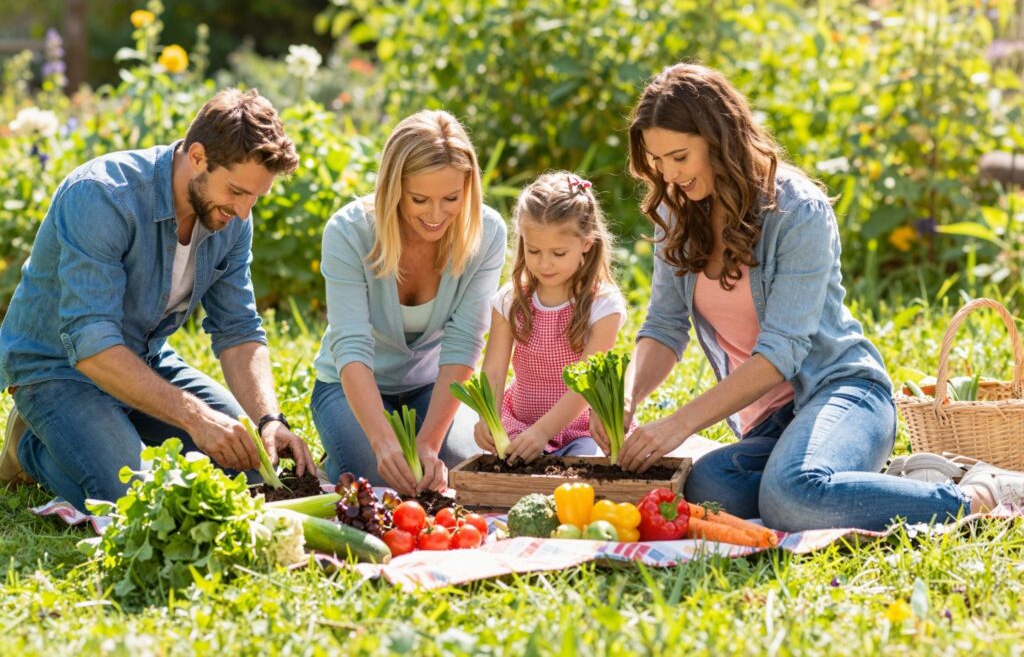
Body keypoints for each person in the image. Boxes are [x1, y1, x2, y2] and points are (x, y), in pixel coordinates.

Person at [602, 62, 1024, 532]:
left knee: (792, 499)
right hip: (771, 422)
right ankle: (878, 483)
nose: (669, 174)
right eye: (657, 161)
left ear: (718, 139)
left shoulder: (797, 209)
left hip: (843, 393)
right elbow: (664, 326)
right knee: (707, 488)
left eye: (679, 157)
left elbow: (780, 353)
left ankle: (982, 494)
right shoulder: (677, 211)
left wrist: (679, 423)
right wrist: (627, 396)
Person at [0, 88, 315, 511]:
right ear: (198, 156)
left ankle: (109, 429)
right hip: (58, 368)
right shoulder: (102, 195)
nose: (243, 212)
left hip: (144, 359)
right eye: (237, 192)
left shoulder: (232, 217)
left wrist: (268, 420)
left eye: (255, 198)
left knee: (251, 468)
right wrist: (196, 418)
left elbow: (238, 330)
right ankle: (31, 447)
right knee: (137, 500)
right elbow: (91, 344)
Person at [311, 110, 505, 495]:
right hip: (349, 387)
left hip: (429, 387)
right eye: (419, 199)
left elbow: (465, 342)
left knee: (460, 470)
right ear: (394, 188)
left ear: (468, 188)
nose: (436, 215)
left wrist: (429, 443)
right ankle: (337, 462)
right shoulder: (349, 232)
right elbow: (351, 346)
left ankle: (399, 448)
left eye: (451, 198)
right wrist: (383, 442)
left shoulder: (487, 233)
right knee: (382, 476)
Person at [474, 171, 627, 462]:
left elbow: (585, 385)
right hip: (520, 426)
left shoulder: (602, 306)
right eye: (534, 250)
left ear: (586, 243)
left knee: (585, 471)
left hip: (580, 431)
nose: (544, 264)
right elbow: (493, 371)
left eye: (558, 253)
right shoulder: (510, 300)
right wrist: (487, 418)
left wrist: (543, 432)